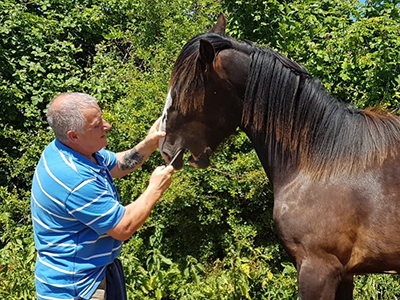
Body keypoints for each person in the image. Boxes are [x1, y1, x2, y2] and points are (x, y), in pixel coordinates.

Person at [30, 92, 174, 300]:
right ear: (74, 135)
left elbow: (117, 165)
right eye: (97, 125)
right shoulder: (74, 178)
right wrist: (155, 189)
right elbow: (123, 227)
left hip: (94, 274)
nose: (107, 126)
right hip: (77, 289)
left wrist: (149, 144)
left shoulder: (73, 151)